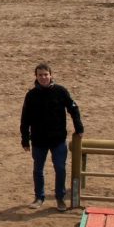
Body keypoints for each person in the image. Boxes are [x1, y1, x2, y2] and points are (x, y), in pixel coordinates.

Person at [20, 63, 84, 211]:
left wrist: (78, 127)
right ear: (36, 76)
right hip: (38, 140)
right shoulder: (31, 95)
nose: (43, 77)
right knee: (38, 169)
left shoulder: (61, 91)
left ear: (51, 75)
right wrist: (25, 139)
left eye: (45, 74)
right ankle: (39, 197)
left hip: (58, 140)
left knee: (60, 168)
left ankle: (60, 198)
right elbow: (25, 119)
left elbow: (73, 108)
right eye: (40, 75)